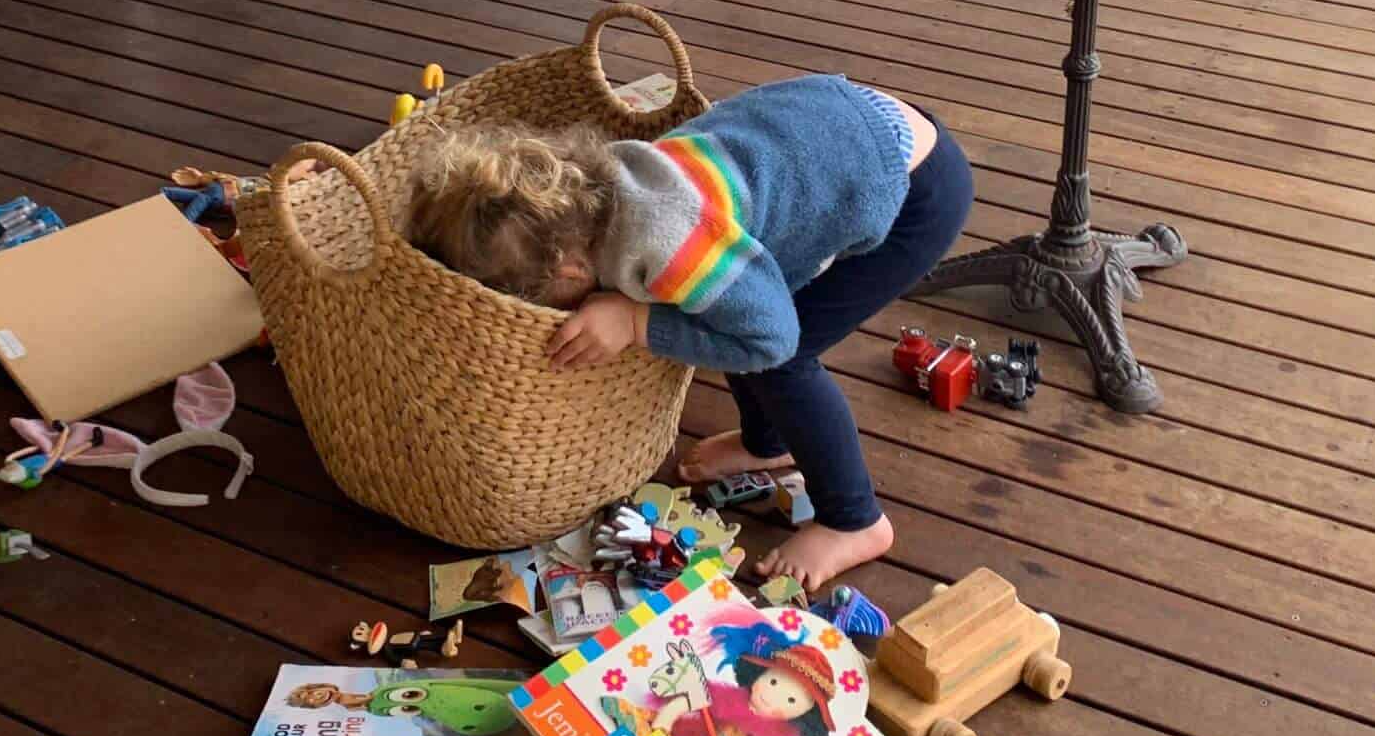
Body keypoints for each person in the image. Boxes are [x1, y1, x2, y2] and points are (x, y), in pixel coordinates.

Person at [406, 74, 974, 588]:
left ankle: (855, 520)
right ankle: (767, 444)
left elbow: (770, 338)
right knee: (735, 312)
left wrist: (636, 322)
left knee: (783, 358)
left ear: (571, 273)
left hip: (912, 193)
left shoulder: (670, 245)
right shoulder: (608, 182)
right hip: (849, 123)